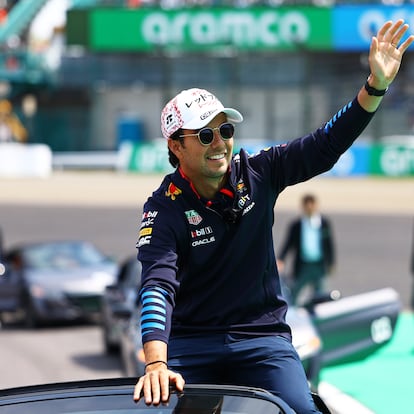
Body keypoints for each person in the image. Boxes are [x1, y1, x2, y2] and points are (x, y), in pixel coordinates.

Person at [133, 20, 413, 414]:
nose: (221, 143)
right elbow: (157, 286)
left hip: (262, 338)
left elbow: (326, 144)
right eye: (206, 135)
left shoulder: (261, 171)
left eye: (225, 129)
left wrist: (376, 85)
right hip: (192, 342)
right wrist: (157, 363)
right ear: (176, 146)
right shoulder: (163, 208)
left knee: (303, 410)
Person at [277, 194, 335, 305]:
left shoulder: (324, 223)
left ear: (316, 205)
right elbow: (288, 244)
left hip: (319, 265)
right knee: (294, 293)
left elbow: (329, 244)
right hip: (302, 265)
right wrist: (281, 258)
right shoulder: (296, 225)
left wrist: (331, 263)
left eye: (311, 204)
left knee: (320, 295)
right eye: (306, 204)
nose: (309, 207)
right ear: (302, 206)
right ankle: (291, 317)